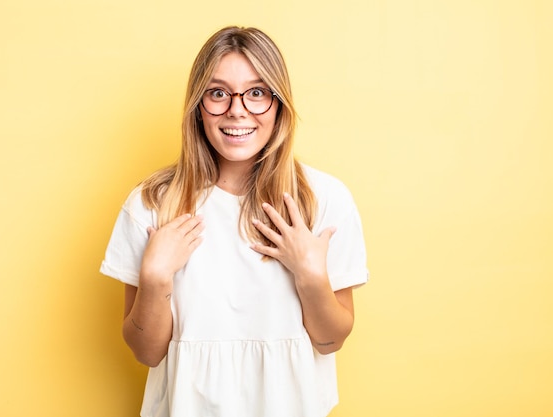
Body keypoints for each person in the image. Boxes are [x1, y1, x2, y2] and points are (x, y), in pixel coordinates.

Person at [100, 26, 368, 417]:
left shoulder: (323, 199)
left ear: (278, 104)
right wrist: (156, 276)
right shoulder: (152, 203)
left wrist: (311, 275)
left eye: (257, 93)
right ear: (198, 105)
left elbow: (329, 343)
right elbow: (146, 352)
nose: (237, 109)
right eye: (218, 93)